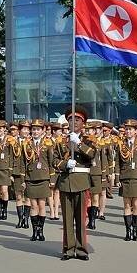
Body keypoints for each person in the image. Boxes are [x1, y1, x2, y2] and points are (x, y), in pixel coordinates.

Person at [55, 105, 95, 261]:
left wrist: (78, 143)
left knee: (80, 219)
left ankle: (81, 249)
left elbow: (92, 154)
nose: (74, 122)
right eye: (71, 119)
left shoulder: (88, 140)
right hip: (66, 181)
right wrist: (65, 164)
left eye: (77, 119)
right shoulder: (61, 141)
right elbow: (55, 160)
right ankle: (68, 249)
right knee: (67, 219)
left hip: (81, 182)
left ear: (83, 123)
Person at [115, 119, 137, 241]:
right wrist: (117, 178)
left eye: (130, 129)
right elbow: (118, 163)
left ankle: (135, 230)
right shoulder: (120, 145)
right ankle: (128, 231)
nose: (128, 131)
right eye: (127, 129)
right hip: (125, 178)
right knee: (127, 205)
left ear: (136, 131)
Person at [22, 119, 55, 241]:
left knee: (42, 205)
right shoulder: (26, 144)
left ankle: (41, 231)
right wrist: (22, 179)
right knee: (33, 206)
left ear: (42, 131)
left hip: (43, 177)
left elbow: (52, 162)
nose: (35, 131)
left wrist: (52, 178)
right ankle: (34, 231)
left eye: (38, 129)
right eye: (34, 129)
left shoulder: (48, 144)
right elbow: (22, 162)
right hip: (30, 178)